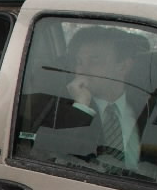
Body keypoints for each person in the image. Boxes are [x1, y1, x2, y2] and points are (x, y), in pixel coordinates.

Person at [24, 26, 146, 170]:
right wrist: (82, 107)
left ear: (123, 67)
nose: (82, 70)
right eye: (79, 62)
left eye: (94, 61)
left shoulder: (146, 107)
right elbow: (57, 154)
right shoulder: (58, 107)